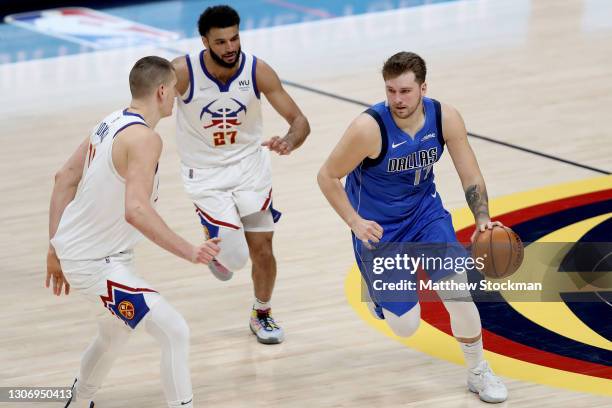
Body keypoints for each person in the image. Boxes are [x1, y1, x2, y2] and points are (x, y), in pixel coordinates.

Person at [317, 51, 508, 403]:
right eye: (390, 91)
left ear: (423, 88)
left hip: (425, 216)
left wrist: (482, 217)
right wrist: (354, 222)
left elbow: (470, 173)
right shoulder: (368, 129)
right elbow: (327, 176)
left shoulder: (445, 117)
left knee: (458, 293)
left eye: (405, 91)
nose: (397, 100)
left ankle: (478, 371)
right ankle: (378, 291)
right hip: (379, 230)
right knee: (406, 326)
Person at [47, 56, 220, 408]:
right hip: (96, 263)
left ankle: (78, 401)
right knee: (174, 330)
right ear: (161, 91)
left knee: (116, 330)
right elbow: (137, 210)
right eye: (174, 90)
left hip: (93, 256)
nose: (176, 96)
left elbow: (63, 178)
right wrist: (190, 251)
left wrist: (55, 247)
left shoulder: (109, 122)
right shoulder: (144, 139)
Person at [171, 5, 310, 344]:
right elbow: (144, 107)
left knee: (262, 247)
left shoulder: (257, 70)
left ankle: (261, 313)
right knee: (234, 258)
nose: (230, 47)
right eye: (220, 42)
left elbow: (300, 122)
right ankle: (217, 243)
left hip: (251, 169)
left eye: (234, 38)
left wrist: (289, 142)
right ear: (204, 41)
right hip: (205, 173)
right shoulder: (181, 72)